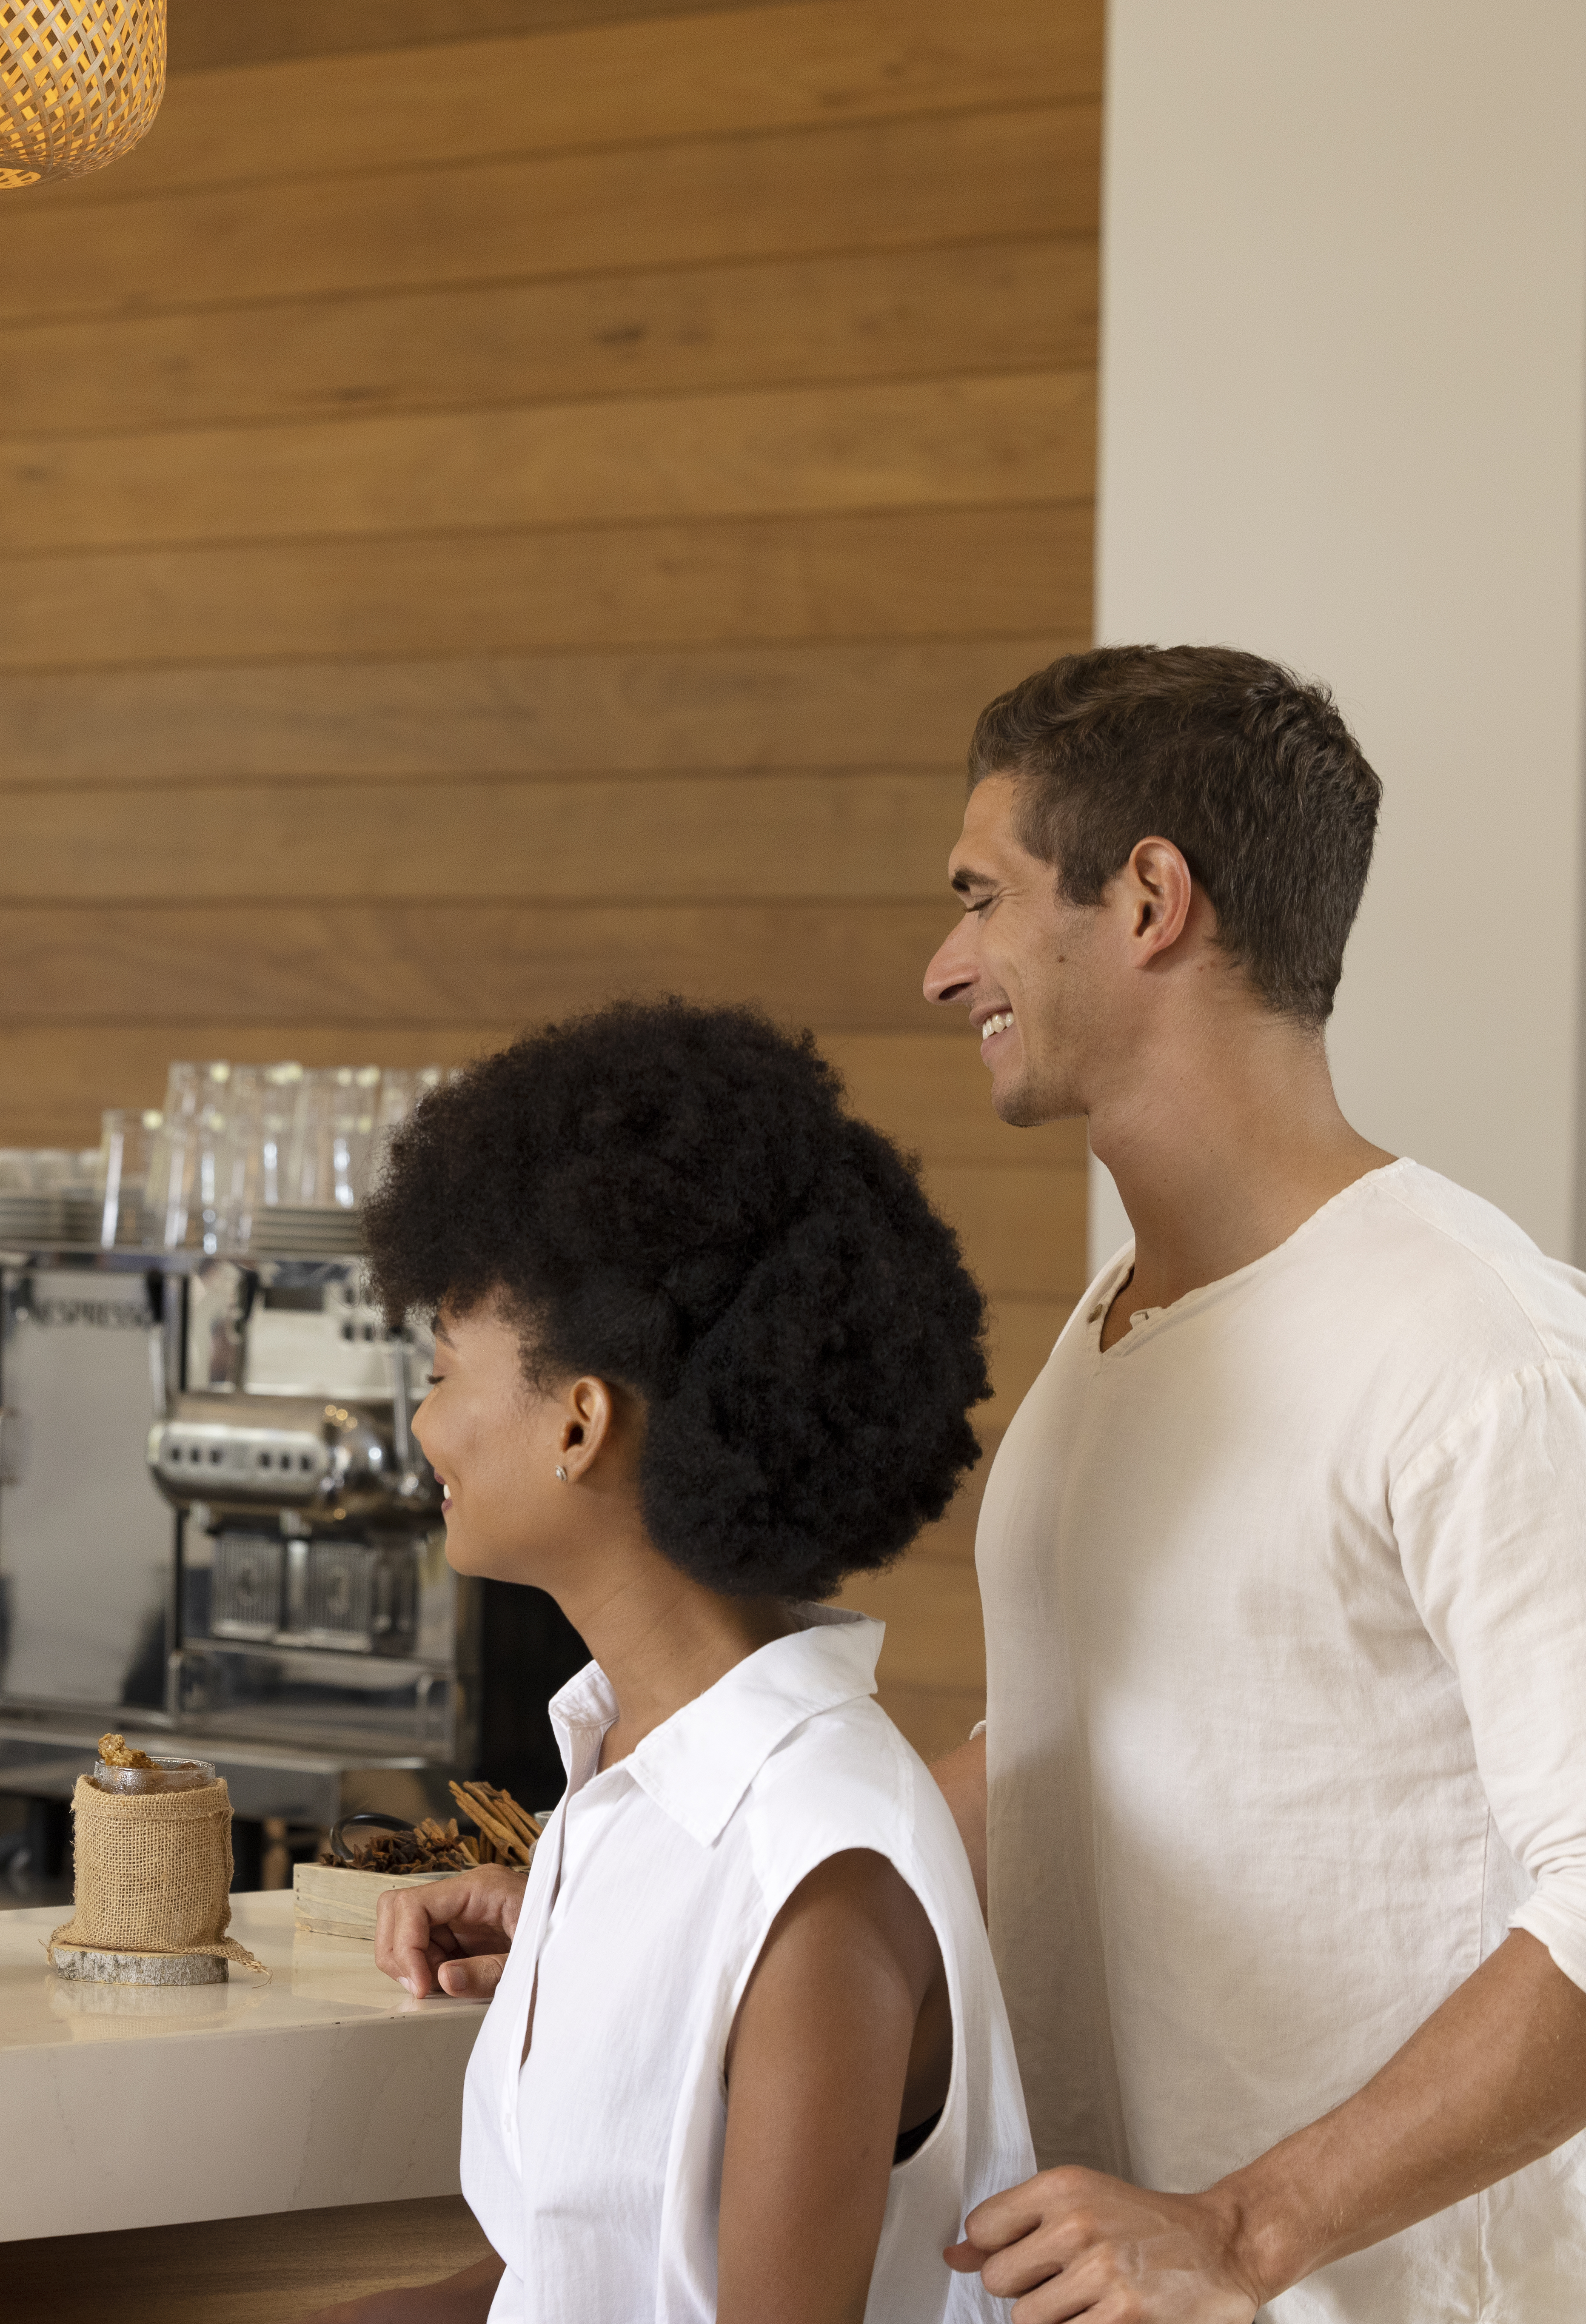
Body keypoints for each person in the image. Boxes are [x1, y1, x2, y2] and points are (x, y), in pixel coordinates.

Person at [917, 646, 1586, 2320]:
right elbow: (1060, 1749)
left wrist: (1236, 2230)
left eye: (980, 898)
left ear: (1146, 898)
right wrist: (653, 1896)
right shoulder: (1120, 1318)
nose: (944, 967)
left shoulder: (1476, 1350)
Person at [329, 1000, 1029, 2324]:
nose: (422, 1423)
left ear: (579, 1424)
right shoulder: (626, 1792)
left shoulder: (821, 1865)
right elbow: (567, 2275)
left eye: (444, 1367)